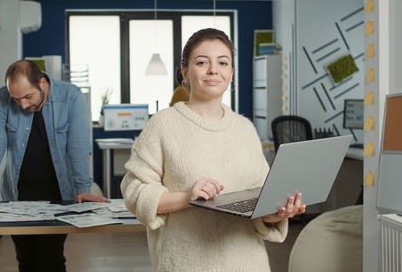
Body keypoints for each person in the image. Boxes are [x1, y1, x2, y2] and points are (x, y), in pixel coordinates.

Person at [120, 28, 306, 272]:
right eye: (201, 62)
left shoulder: (244, 129)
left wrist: (278, 212)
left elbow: (261, 203)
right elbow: (135, 192)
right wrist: (188, 198)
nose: (213, 70)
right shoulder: (162, 124)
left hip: (249, 264)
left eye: (223, 62)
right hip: (184, 264)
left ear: (231, 73)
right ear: (185, 72)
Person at [0, 60, 109, 272]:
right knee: (26, 260)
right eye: (17, 100)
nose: (23, 105)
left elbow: (78, 146)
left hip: (58, 194)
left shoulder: (70, 96)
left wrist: (83, 188)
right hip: (17, 195)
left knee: (49, 259)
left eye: (27, 97)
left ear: (42, 83)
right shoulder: (2, 98)